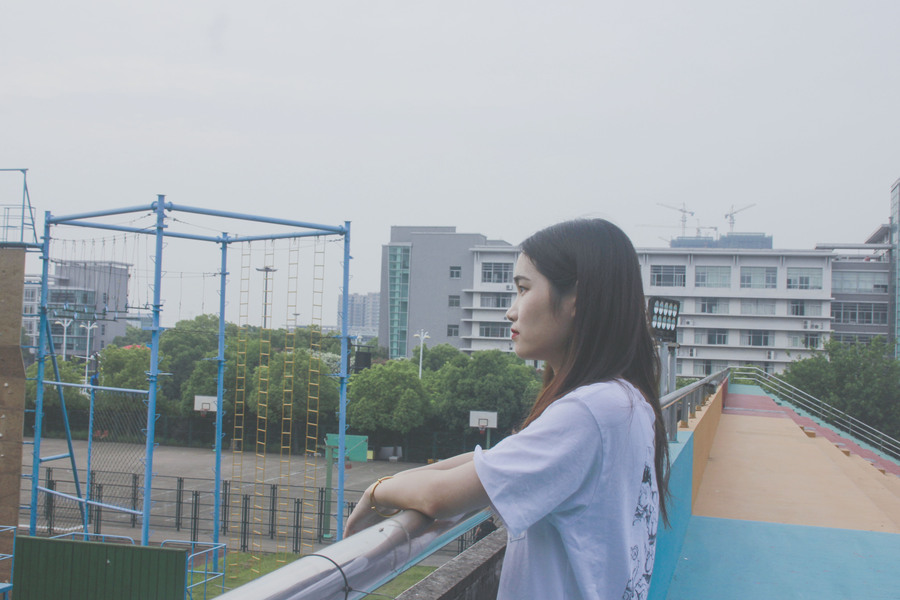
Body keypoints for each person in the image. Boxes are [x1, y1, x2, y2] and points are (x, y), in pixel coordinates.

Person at [346, 219, 670, 600]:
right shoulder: (627, 402)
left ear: (576, 299)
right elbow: (489, 462)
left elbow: (440, 496)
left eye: (523, 289)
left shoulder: (588, 412)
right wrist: (402, 479)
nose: (510, 312)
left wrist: (376, 491)